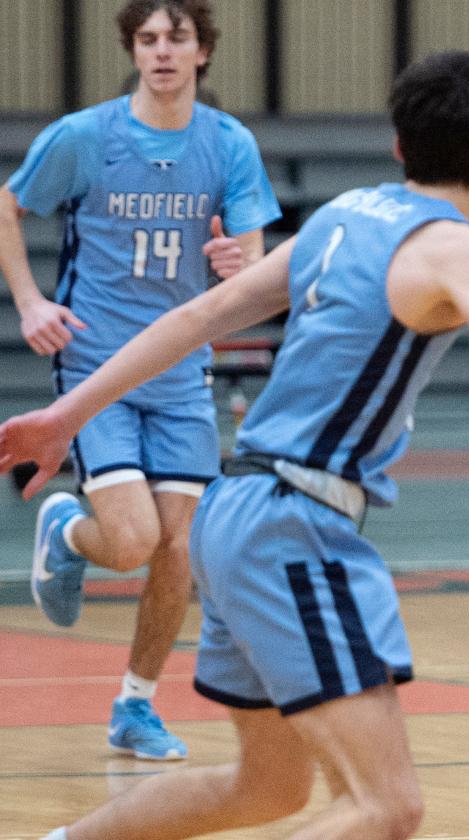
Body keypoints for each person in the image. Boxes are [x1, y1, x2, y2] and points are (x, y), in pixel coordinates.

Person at [1, 50, 469, 840]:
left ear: (399, 146)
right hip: (293, 526)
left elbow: (196, 319)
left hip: (229, 516)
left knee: (264, 788)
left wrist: (63, 416)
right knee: (388, 807)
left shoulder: (341, 217)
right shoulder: (458, 252)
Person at [0, 0, 280, 761]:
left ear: (201, 52)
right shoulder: (87, 137)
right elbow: (8, 203)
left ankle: (135, 706)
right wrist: (30, 302)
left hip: (181, 372)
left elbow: (252, 261)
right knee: (130, 543)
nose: (162, 51)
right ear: (134, 50)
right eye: (148, 39)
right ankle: (65, 526)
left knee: (178, 551)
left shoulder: (228, 145)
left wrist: (239, 265)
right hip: (97, 366)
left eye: (176, 38)